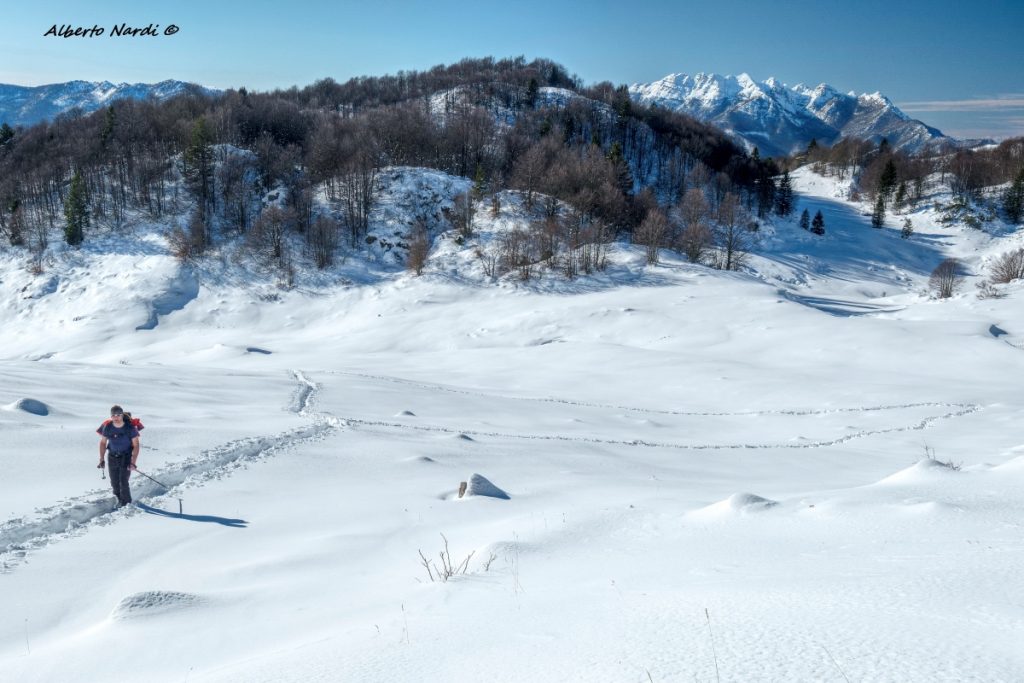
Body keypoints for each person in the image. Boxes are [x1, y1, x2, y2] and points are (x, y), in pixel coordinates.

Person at [97, 405, 140, 507]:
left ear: (122, 415)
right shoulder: (108, 427)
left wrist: (133, 462)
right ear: (111, 416)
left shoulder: (130, 428)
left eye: (118, 415)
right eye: (113, 415)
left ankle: (127, 504)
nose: (116, 417)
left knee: (123, 482)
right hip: (112, 457)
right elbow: (103, 443)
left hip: (125, 457)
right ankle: (119, 500)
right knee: (114, 483)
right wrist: (101, 459)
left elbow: (136, 445)